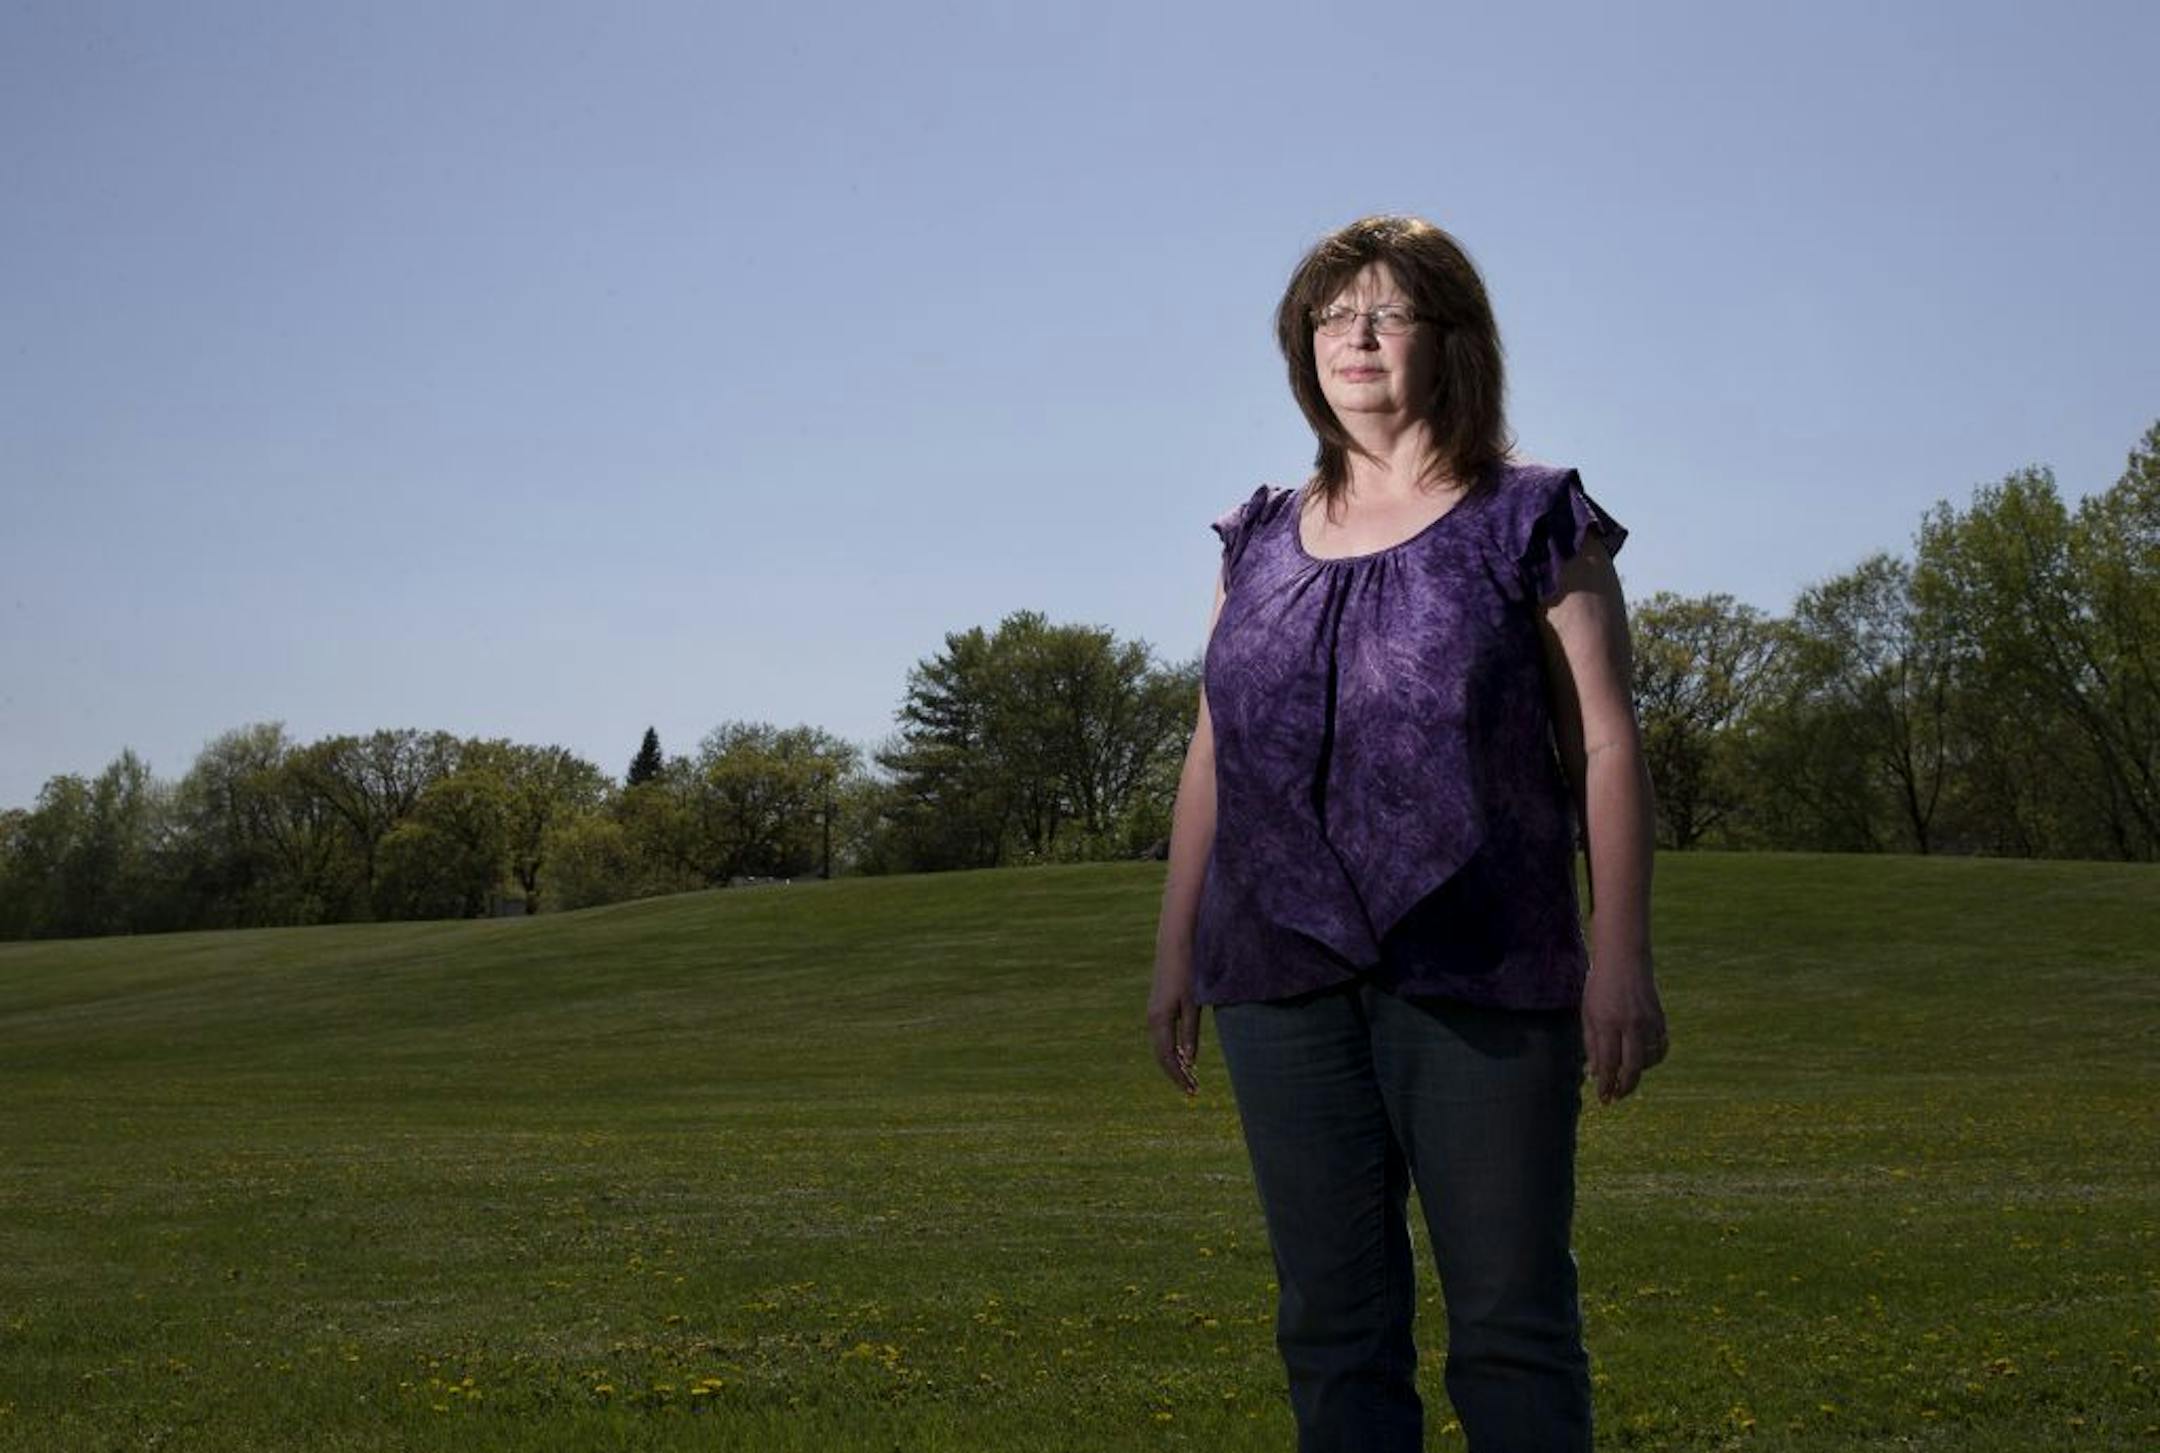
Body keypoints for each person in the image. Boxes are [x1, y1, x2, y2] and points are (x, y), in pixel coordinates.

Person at [1147, 214, 1668, 1453]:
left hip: (1482, 965)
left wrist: (1621, 955)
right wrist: (1178, 952)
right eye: (1330, 318)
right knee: (1331, 1330)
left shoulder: (1535, 519)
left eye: (1386, 312)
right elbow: (1213, 744)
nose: (1356, 338)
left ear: (1452, 340)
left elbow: (1604, 742)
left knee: (1510, 1325)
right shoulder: (1257, 536)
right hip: (1278, 978)